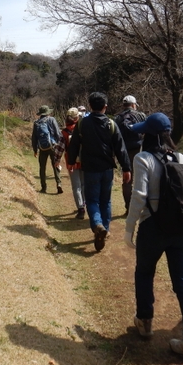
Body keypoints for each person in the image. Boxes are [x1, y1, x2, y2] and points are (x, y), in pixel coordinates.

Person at [124, 112, 183, 363]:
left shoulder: (142, 158)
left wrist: (129, 228)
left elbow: (139, 196)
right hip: (180, 228)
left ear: (147, 135)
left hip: (153, 228)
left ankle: (145, 321)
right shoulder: (179, 156)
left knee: (145, 272)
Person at [67, 92, 131, 251]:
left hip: (90, 169)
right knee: (106, 201)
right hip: (107, 169)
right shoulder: (111, 124)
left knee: (92, 200)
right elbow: (120, 148)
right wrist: (126, 168)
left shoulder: (82, 124)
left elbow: (74, 144)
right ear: (105, 107)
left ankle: (97, 226)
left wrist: (71, 161)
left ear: (90, 106)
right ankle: (105, 229)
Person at [114, 95, 147, 216]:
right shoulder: (141, 115)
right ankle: (141, 208)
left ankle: (129, 208)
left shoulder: (117, 118)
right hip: (140, 150)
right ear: (133, 105)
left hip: (124, 152)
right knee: (141, 179)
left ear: (124, 105)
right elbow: (147, 131)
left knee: (127, 180)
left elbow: (115, 136)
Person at [54, 107, 86, 219]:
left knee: (76, 186)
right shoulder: (83, 128)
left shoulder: (64, 132)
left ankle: (80, 208)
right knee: (83, 184)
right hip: (84, 160)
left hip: (71, 162)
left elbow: (60, 148)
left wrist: (57, 160)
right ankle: (84, 204)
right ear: (78, 117)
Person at [31, 105, 63, 194]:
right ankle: (59, 184)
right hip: (53, 146)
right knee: (55, 165)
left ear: (40, 113)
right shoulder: (52, 119)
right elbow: (58, 133)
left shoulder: (36, 122)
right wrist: (58, 144)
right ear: (48, 112)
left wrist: (35, 150)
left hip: (42, 148)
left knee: (42, 167)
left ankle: (43, 187)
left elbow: (34, 138)